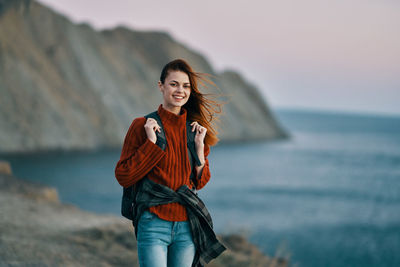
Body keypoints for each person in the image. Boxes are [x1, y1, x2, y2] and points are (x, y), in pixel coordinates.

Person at [115, 58, 225, 267]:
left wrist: (200, 149)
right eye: (173, 84)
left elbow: (199, 183)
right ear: (161, 86)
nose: (180, 91)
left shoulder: (195, 131)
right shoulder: (142, 125)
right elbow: (123, 175)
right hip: (153, 223)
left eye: (186, 86)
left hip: (187, 227)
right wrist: (151, 144)